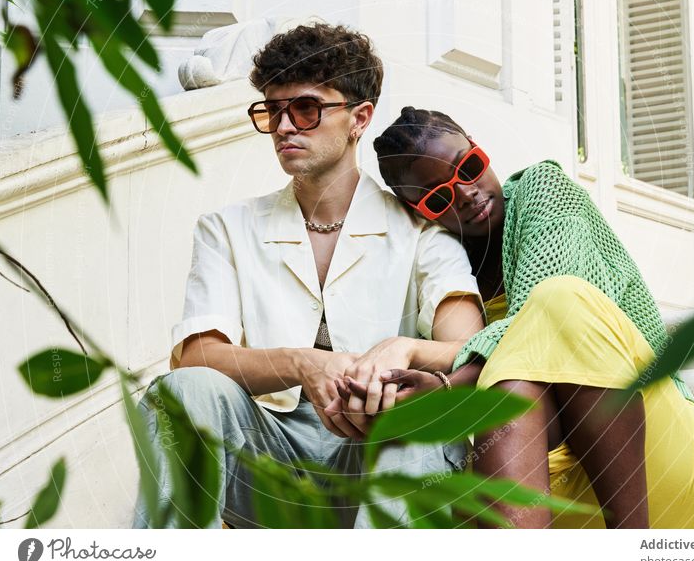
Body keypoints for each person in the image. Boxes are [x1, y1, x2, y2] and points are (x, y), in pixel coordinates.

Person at [131, 28, 484, 529]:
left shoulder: (421, 229)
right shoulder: (227, 228)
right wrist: (303, 363)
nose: (283, 127)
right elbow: (199, 356)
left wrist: (399, 349)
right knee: (181, 392)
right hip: (268, 461)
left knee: (419, 419)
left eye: (306, 109)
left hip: (382, 454)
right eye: (271, 111)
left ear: (359, 118)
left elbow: (470, 345)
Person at [342, 106, 694, 528]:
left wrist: (442, 376)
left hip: (652, 454)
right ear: (418, 210)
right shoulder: (440, 263)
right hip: (550, 493)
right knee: (512, 390)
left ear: (477, 146)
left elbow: (544, 321)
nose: (466, 192)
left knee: (557, 300)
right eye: (439, 197)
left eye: (468, 167)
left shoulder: (543, 190)